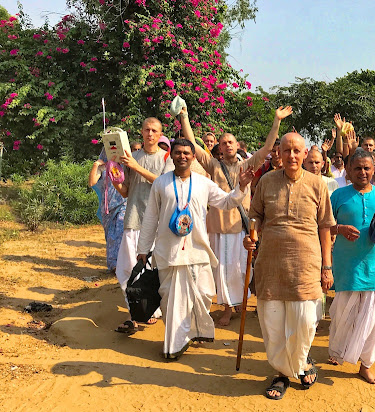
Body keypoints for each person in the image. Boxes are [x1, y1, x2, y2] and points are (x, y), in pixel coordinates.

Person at [136, 138, 253, 359]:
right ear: (171, 155)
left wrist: (242, 186)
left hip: (198, 250)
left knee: (205, 293)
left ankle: (193, 330)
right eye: (178, 153)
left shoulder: (203, 183)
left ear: (193, 157)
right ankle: (173, 346)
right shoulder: (161, 183)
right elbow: (151, 217)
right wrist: (143, 248)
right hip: (169, 252)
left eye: (186, 153)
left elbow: (228, 202)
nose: (182, 156)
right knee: (171, 302)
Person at [181, 105, 293, 326]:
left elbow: (268, 147)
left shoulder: (247, 164)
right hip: (217, 227)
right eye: (223, 143)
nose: (227, 145)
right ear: (219, 148)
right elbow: (192, 143)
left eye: (230, 142)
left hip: (241, 227)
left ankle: (240, 302)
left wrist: (277, 120)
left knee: (240, 269)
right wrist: (184, 116)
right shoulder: (213, 165)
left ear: (237, 145)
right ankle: (227, 307)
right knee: (221, 270)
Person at [243, 132, 335, 400]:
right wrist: (252, 237)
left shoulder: (318, 185)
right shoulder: (266, 181)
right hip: (270, 264)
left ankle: (301, 361)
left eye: (297, 151)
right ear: (278, 154)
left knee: (306, 320)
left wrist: (327, 267)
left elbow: (326, 227)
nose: (292, 156)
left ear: (305, 154)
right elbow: (255, 215)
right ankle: (283, 373)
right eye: (286, 151)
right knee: (273, 323)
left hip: (306, 265)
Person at [328, 149, 375, 384]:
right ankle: (339, 351)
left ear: (373, 170)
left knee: (373, 317)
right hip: (346, 265)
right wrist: (340, 229)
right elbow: (324, 226)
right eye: (357, 168)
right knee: (342, 312)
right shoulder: (338, 196)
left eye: (367, 168)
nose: (363, 172)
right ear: (348, 171)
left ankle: (366, 364)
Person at [112, 117, 175, 333]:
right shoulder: (132, 156)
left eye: (154, 130)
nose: (150, 134)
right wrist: (117, 182)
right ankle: (135, 311)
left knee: (153, 269)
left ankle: (153, 310)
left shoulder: (167, 158)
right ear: (142, 131)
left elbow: (163, 184)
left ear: (160, 134)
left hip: (156, 222)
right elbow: (127, 191)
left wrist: (136, 167)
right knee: (126, 269)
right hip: (133, 218)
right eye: (147, 130)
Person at [88, 150, 127, 274]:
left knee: (120, 233)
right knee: (110, 236)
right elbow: (92, 182)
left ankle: (119, 265)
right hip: (107, 207)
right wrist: (96, 166)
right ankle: (113, 265)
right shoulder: (102, 166)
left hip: (123, 203)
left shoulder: (125, 164)